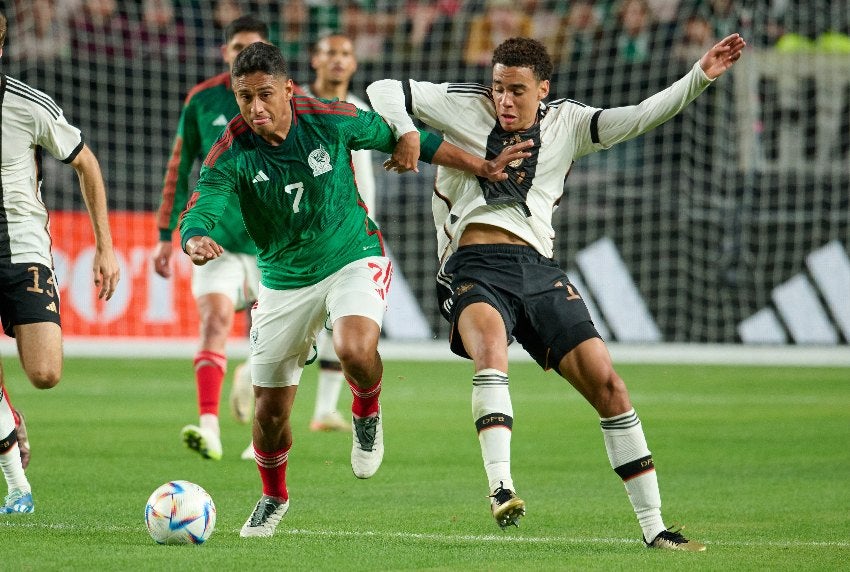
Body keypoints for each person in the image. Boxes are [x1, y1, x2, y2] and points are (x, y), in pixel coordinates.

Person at [367, 33, 746, 550]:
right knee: (491, 350)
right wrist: (407, 132)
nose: (504, 100)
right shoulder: (463, 104)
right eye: (499, 87)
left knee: (609, 386)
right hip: (472, 264)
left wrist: (699, 74)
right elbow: (384, 86)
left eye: (517, 90)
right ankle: (501, 487)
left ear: (542, 88)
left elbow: (642, 114)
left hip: (538, 269)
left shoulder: (570, 122)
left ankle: (656, 530)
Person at [178, 41, 529, 538]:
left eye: (264, 95)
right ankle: (273, 495)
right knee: (269, 414)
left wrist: (483, 166)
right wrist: (194, 236)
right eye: (243, 97)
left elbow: (406, 138)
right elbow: (203, 203)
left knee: (353, 345)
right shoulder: (232, 148)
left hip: (351, 255)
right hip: (283, 280)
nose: (255, 109)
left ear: (288, 90)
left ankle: (366, 411)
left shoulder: (328, 118)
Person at [0, 11, 120, 514]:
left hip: (24, 249)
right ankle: (17, 485)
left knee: (45, 372)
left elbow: (85, 161)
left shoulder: (29, 106)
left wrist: (105, 246)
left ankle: (9, 415)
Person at [151, 15, 269, 461]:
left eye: (252, 46)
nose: (243, 53)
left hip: (270, 244)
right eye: (236, 46)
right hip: (214, 240)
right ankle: (209, 427)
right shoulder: (202, 100)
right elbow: (180, 168)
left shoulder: (280, 101)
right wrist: (167, 234)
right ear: (225, 52)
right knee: (215, 321)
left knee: (275, 342)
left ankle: (260, 423)